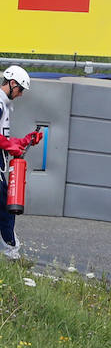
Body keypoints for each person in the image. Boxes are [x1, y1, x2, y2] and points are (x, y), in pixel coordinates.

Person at [0, 66, 35, 261]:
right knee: (6, 210)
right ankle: (10, 253)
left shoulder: (4, 106)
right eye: (20, 89)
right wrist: (11, 146)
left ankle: (10, 252)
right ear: (12, 83)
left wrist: (25, 141)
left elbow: (4, 140)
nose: (20, 94)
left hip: (0, 168)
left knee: (5, 209)